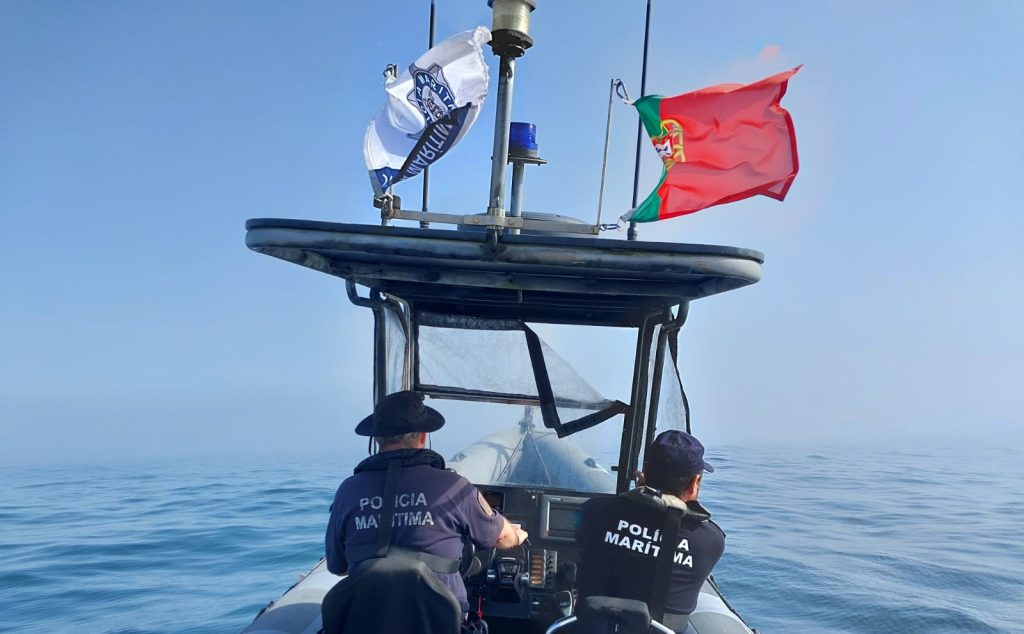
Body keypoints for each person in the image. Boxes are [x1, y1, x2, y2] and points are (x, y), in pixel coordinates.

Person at [325, 390, 528, 616]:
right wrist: (517, 536)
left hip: (367, 620)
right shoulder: (454, 487)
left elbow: (337, 566)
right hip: (437, 621)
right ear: (422, 436)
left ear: (377, 439)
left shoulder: (348, 491)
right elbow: (502, 537)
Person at [575, 430, 725, 633]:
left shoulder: (594, 511)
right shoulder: (709, 540)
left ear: (644, 471)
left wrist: (641, 495)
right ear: (693, 483)